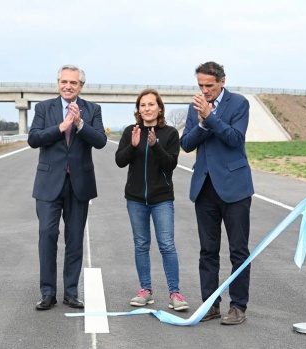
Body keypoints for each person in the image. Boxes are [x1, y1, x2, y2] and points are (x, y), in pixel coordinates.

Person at [180, 61, 254, 325]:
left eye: (209, 85)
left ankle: (238, 307)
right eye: (200, 85)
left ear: (222, 81)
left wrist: (210, 118)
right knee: (208, 251)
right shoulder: (195, 107)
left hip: (235, 189)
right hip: (205, 188)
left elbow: (235, 138)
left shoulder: (239, 103)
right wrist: (201, 124)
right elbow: (186, 144)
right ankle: (210, 304)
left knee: (238, 251)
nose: (204, 90)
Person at [28, 65, 107, 310]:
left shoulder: (93, 109)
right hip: (49, 185)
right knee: (47, 236)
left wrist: (81, 124)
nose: (68, 86)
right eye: (64, 81)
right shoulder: (44, 108)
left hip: (79, 185)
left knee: (74, 240)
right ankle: (47, 293)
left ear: (81, 85)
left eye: (73, 82)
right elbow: (33, 139)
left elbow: (101, 141)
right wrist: (60, 128)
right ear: (58, 83)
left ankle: (71, 292)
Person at [115, 89, 189, 311]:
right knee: (141, 244)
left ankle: (175, 293)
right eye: (143, 105)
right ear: (138, 109)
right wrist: (133, 146)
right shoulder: (130, 132)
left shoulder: (170, 133)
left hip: (162, 199)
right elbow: (120, 161)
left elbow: (170, 164)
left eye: (151, 104)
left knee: (167, 245)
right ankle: (145, 290)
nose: (147, 108)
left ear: (159, 108)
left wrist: (155, 145)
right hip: (136, 199)